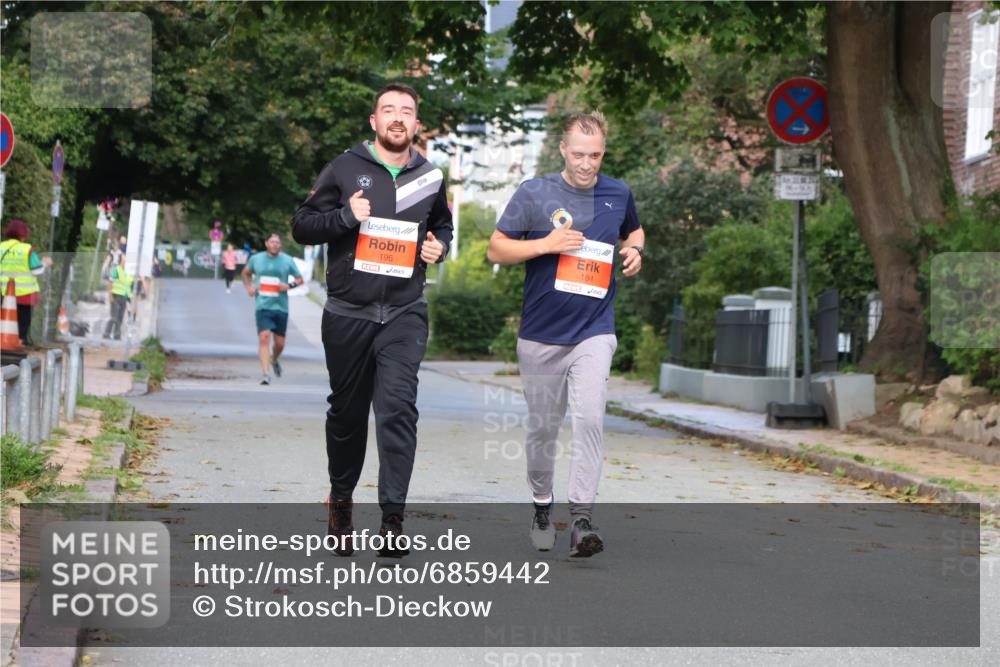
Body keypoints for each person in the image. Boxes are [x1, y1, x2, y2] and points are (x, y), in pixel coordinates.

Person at [291, 82, 452, 558]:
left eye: (407, 111)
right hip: (348, 313)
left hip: (404, 311)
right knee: (346, 414)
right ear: (374, 122)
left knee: (398, 409)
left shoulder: (431, 176)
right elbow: (302, 225)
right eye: (389, 110)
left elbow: (442, 225)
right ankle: (341, 502)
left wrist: (438, 247)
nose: (398, 118)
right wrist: (344, 217)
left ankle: (392, 519)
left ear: (417, 124)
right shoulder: (345, 168)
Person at [487, 111, 644, 558]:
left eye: (595, 155)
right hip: (540, 336)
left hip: (594, 330)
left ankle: (581, 520)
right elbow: (496, 247)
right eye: (578, 154)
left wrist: (634, 250)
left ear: (603, 153)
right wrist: (545, 245)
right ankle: (541, 506)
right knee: (542, 431)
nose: (586, 164)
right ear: (562, 149)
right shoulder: (534, 192)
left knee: (591, 419)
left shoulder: (618, 192)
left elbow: (634, 230)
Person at [241, 233, 303, 385]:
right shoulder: (256, 259)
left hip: (281, 306)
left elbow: (299, 279)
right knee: (264, 337)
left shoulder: (287, 260)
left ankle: (274, 359)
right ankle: (265, 374)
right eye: (272, 242)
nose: (275, 244)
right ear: (266, 243)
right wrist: (248, 287)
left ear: (280, 245)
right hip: (263, 305)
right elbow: (245, 273)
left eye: (277, 242)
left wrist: (288, 286)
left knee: (280, 344)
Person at [0, 220, 50, 346]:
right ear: (23, 234)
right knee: (23, 320)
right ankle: (19, 341)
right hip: (25, 293)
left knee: (4, 316)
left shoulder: (1, 247)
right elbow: (37, 270)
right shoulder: (27, 249)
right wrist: (45, 263)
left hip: (3, 291)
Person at [103, 253, 134, 340]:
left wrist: (129, 298)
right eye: (125, 260)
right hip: (115, 296)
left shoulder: (127, 272)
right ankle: (106, 333)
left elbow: (128, 285)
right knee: (114, 317)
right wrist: (110, 296)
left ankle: (117, 335)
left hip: (124, 297)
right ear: (121, 261)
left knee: (120, 318)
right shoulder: (116, 270)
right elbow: (110, 282)